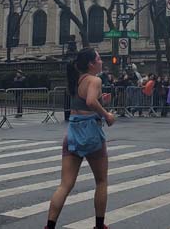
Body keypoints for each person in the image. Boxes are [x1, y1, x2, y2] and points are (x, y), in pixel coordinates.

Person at [45, 48, 114, 229]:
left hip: (73, 132)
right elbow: (91, 102)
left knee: (65, 185)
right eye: (99, 58)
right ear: (91, 63)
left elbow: (85, 102)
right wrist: (106, 114)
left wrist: (102, 100)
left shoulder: (78, 80)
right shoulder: (95, 79)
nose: (101, 61)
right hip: (90, 132)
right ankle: (99, 225)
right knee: (101, 181)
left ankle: (50, 226)